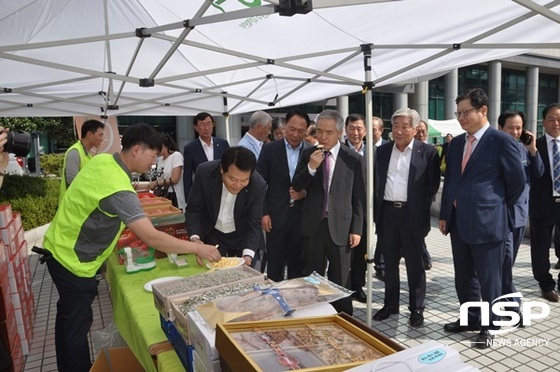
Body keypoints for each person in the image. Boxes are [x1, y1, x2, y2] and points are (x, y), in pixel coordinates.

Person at [41, 123, 221, 372]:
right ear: (137, 149)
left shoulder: (104, 161)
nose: (154, 162)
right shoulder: (118, 185)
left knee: (68, 322)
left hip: (59, 247)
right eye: (152, 156)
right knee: (76, 326)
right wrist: (198, 248)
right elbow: (153, 238)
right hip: (72, 260)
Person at [439, 88, 525, 349]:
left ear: (483, 111)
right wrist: (445, 214)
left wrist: (494, 206)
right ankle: (470, 318)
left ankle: (490, 325)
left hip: (489, 223)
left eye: (466, 112)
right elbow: (452, 180)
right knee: (463, 277)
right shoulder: (455, 144)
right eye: (459, 113)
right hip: (458, 222)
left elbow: (517, 183)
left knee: (490, 279)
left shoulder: (501, 141)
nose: (461, 117)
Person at [292, 109, 365, 316]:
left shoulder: (353, 159)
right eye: (320, 131)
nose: (323, 137)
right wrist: (311, 168)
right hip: (313, 225)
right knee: (313, 278)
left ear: (340, 132)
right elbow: (297, 185)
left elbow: (358, 198)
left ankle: (343, 318)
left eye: (329, 132)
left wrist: (357, 229)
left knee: (340, 278)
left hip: (342, 226)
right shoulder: (308, 154)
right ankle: (314, 315)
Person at [373, 108, 440, 328]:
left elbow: (432, 186)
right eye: (396, 126)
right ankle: (390, 304)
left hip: (413, 216)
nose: (399, 131)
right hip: (388, 214)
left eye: (405, 126)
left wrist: (419, 210)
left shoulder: (427, 152)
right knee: (389, 263)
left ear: (415, 128)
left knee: (415, 265)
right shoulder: (382, 151)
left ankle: (416, 308)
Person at [185, 146, 266, 267]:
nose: (237, 185)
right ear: (222, 169)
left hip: (241, 236)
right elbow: (193, 210)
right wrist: (196, 241)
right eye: (232, 179)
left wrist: (248, 255)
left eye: (244, 180)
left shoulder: (258, 184)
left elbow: (253, 222)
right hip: (212, 233)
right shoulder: (205, 172)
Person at [497, 110, 544, 316]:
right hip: (500, 213)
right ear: (500, 128)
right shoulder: (494, 149)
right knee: (505, 258)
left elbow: (540, 172)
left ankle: (501, 295)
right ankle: (511, 298)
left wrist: (533, 149)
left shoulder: (524, 149)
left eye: (519, 127)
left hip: (519, 214)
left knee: (509, 259)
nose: (515, 132)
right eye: (510, 127)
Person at [257, 110, 310, 281]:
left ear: (307, 131)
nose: (295, 134)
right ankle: (275, 302)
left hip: (301, 217)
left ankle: (296, 301)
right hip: (275, 216)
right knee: (275, 265)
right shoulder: (270, 149)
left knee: (297, 265)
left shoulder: (312, 152)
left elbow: (319, 186)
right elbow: (260, 183)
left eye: (300, 131)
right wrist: (263, 213)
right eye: (292, 129)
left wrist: (305, 193)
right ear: (285, 126)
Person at [529, 103, 560, 303]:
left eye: (559, 119)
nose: (556, 123)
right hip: (542, 203)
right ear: (543, 122)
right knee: (540, 248)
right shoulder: (534, 145)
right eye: (552, 118)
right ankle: (546, 285)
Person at [343, 114, 369, 303]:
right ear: (345, 129)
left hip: (366, 211)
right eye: (352, 128)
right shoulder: (340, 151)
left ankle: (358, 286)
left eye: (359, 128)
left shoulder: (374, 152)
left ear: (365, 131)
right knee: (344, 254)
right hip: (343, 210)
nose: (355, 132)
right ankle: (343, 287)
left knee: (362, 254)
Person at [183, 112, 230, 202]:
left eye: (209, 124)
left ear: (213, 125)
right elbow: (187, 177)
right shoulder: (190, 148)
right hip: (202, 193)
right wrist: (189, 200)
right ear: (196, 128)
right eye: (202, 125)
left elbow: (230, 166)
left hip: (223, 191)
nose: (206, 128)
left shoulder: (223, 144)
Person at [60, 119, 105, 200]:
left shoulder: (87, 154)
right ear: (89, 134)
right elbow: (71, 181)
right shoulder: (75, 152)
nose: (102, 139)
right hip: (71, 207)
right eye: (100, 135)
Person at [413, 119, 434, 271]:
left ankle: (424, 258)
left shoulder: (430, 151)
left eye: (423, 131)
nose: (420, 134)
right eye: (418, 131)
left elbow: (433, 181)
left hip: (421, 204)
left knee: (419, 236)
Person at [147, 134, 186, 212]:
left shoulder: (176, 156)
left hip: (174, 197)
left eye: (157, 146)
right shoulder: (160, 159)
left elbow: (175, 179)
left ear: (165, 145)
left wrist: (156, 183)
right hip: (162, 196)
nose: (155, 149)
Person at [371, 116, 390, 280]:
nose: (370, 133)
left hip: (383, 200)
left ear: (381, 131)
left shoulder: (389, 148)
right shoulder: (361, 148)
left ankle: (381, 264)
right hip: (365, 201)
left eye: (374, 130)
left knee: (383, 234)